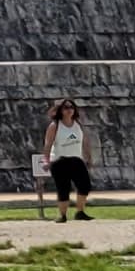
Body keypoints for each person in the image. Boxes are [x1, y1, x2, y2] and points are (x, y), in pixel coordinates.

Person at [41, 94, 92, 225]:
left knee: (85, 185)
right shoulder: (55, 126)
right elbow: (48, 144)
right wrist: (46, 161)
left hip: (76, 159)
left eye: (71, 107)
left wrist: (88, 156)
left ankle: (80, 212)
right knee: (63, 188)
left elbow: (85, 141)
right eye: (66, 107)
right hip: (60, 161)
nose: (69, 110)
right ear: (60, 110)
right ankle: (62, 215)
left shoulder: (77, 124)